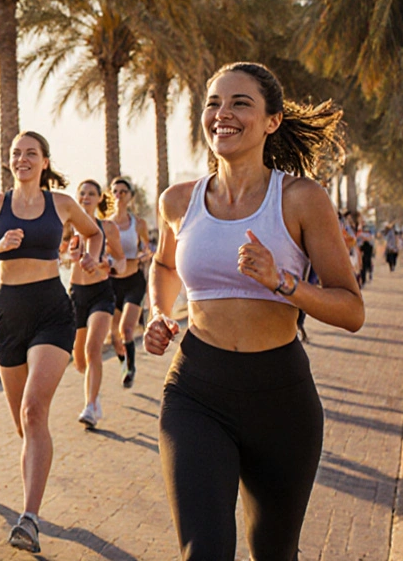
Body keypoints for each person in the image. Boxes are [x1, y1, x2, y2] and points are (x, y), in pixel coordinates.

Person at [144, 62, 364, 560]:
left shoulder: (302, 199)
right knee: (205, 552)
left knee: (275, 551)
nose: (223, 113)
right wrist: (159, 313)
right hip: (196, 391)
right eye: (213, 103)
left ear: (271, 121)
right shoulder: (178, 201)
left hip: (280, 398)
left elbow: (351, 309)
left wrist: (284, 283)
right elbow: (162, 266)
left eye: (240, 103)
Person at [0, 131, 103, 553]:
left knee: (33, 409)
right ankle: (30, 494)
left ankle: (29, 518)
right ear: (9, 161)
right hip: (8, 317)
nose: (22, 159)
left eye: (31, 154)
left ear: (44, 161)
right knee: (25, 426)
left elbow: (93, 233)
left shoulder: (61, 204)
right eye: (16, 153)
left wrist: (91, 255)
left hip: (52, 313)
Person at [63, 180, 126, 429]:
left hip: (101, 293)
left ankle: (90, 405)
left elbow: (121, 260)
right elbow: (56, 255)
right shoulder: (68, 227)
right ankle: (94, 393)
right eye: (82, 193)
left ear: (100, 198)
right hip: (76, 294)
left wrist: (107, 264)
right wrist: (67, 255)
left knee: (92, 349)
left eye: (91, 193)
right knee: (79, 360)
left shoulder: (107, 228)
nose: (86, 197)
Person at [108, 177, 152, 387]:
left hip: (134, 282)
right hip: (112, 284)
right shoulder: (105, 225)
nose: (119, 195)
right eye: (115, 191)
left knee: (126, 329)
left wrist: (143, 256)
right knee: (114, 337)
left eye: (123, 191)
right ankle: (123, 364)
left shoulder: (139, 224)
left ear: (130, 196)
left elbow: (147, 249)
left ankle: (131, 369)